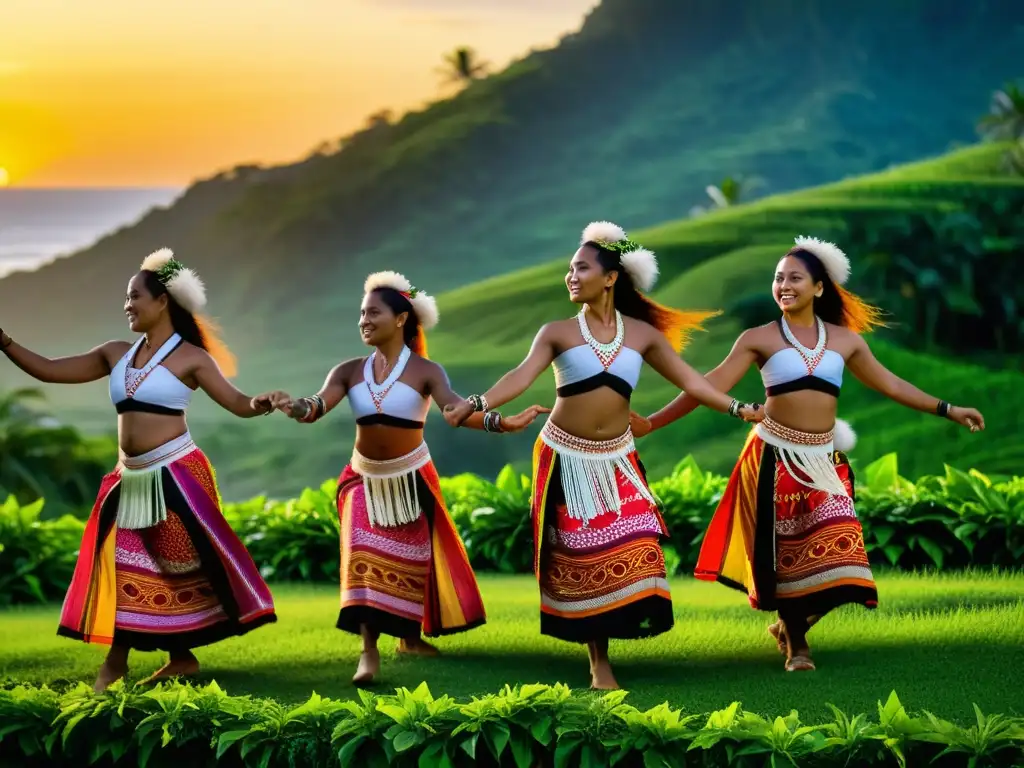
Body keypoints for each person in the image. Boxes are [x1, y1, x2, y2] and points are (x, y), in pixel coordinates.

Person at [633, 235, 985, 672]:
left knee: (846, 555)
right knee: (788, 557)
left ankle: (790, 627)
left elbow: (893, 385)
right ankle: (797, 646)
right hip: (774, 457)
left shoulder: (845, 341)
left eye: (795, 278)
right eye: (778, 278)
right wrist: (651, 423)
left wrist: (949, 410)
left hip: (823, 460)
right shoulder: (758, 339)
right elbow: (707, 385)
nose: (784, 285)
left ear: (819, 288)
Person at [444, 221, 763, 690]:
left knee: (637, 543)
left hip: (617, 459)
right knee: (581, 553)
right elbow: (520, 375)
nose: (571, 276)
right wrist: (478, 404)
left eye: (581, 268)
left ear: (610, 277)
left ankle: (614, 636)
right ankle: (599, 663)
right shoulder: (555, 332)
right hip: (566, 457)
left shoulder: (642, 335)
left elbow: (694, 383)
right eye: (569, 269)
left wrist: (740, 408)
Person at [0, 249, 277, 692]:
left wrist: (260, 404)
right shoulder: (115, 354)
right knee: (128, 563)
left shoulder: (192, 358)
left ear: (162, 300)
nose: (127, 305)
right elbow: (51, 372)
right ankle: (160, 659)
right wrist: (5, 341)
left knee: (177, 567)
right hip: (129, 477)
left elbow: (237, 403)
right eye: (125, 298)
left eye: (134, 296)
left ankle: (137, 661)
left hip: (177, 475)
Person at [256, 271, 548, 685]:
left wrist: (502, 422)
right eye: (360, 313)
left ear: (400, 319)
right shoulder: (349, 370)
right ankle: (368, 652)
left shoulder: (426, 371)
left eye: (373, 312)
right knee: (364, 561)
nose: (363, 320)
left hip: (410, 478)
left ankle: (410, 638)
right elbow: (316, 407)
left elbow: (454, 412)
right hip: (362, 478)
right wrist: (291, 405)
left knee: (409, 565)